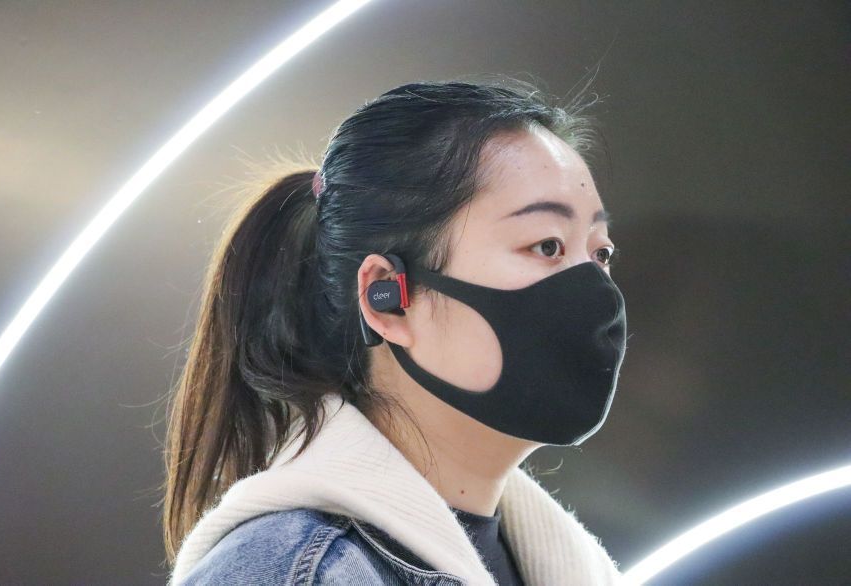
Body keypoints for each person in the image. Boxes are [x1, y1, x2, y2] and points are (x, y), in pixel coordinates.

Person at [161, 76, 628, 585]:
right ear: (390, 299)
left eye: (600, 252)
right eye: (547, 246)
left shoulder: (571, 567)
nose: (596, 291)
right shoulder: (294, 573)